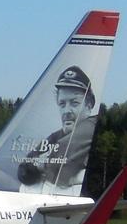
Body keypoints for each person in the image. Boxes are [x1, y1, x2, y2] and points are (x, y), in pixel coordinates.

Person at [17, 65, 97, 193]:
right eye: (62, 104)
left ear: (89, 106)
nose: (66, 111)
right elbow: (24, 170)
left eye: (74, 103)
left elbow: (61, 174)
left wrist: (43, 165)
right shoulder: (54, 138)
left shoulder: (91, 130)